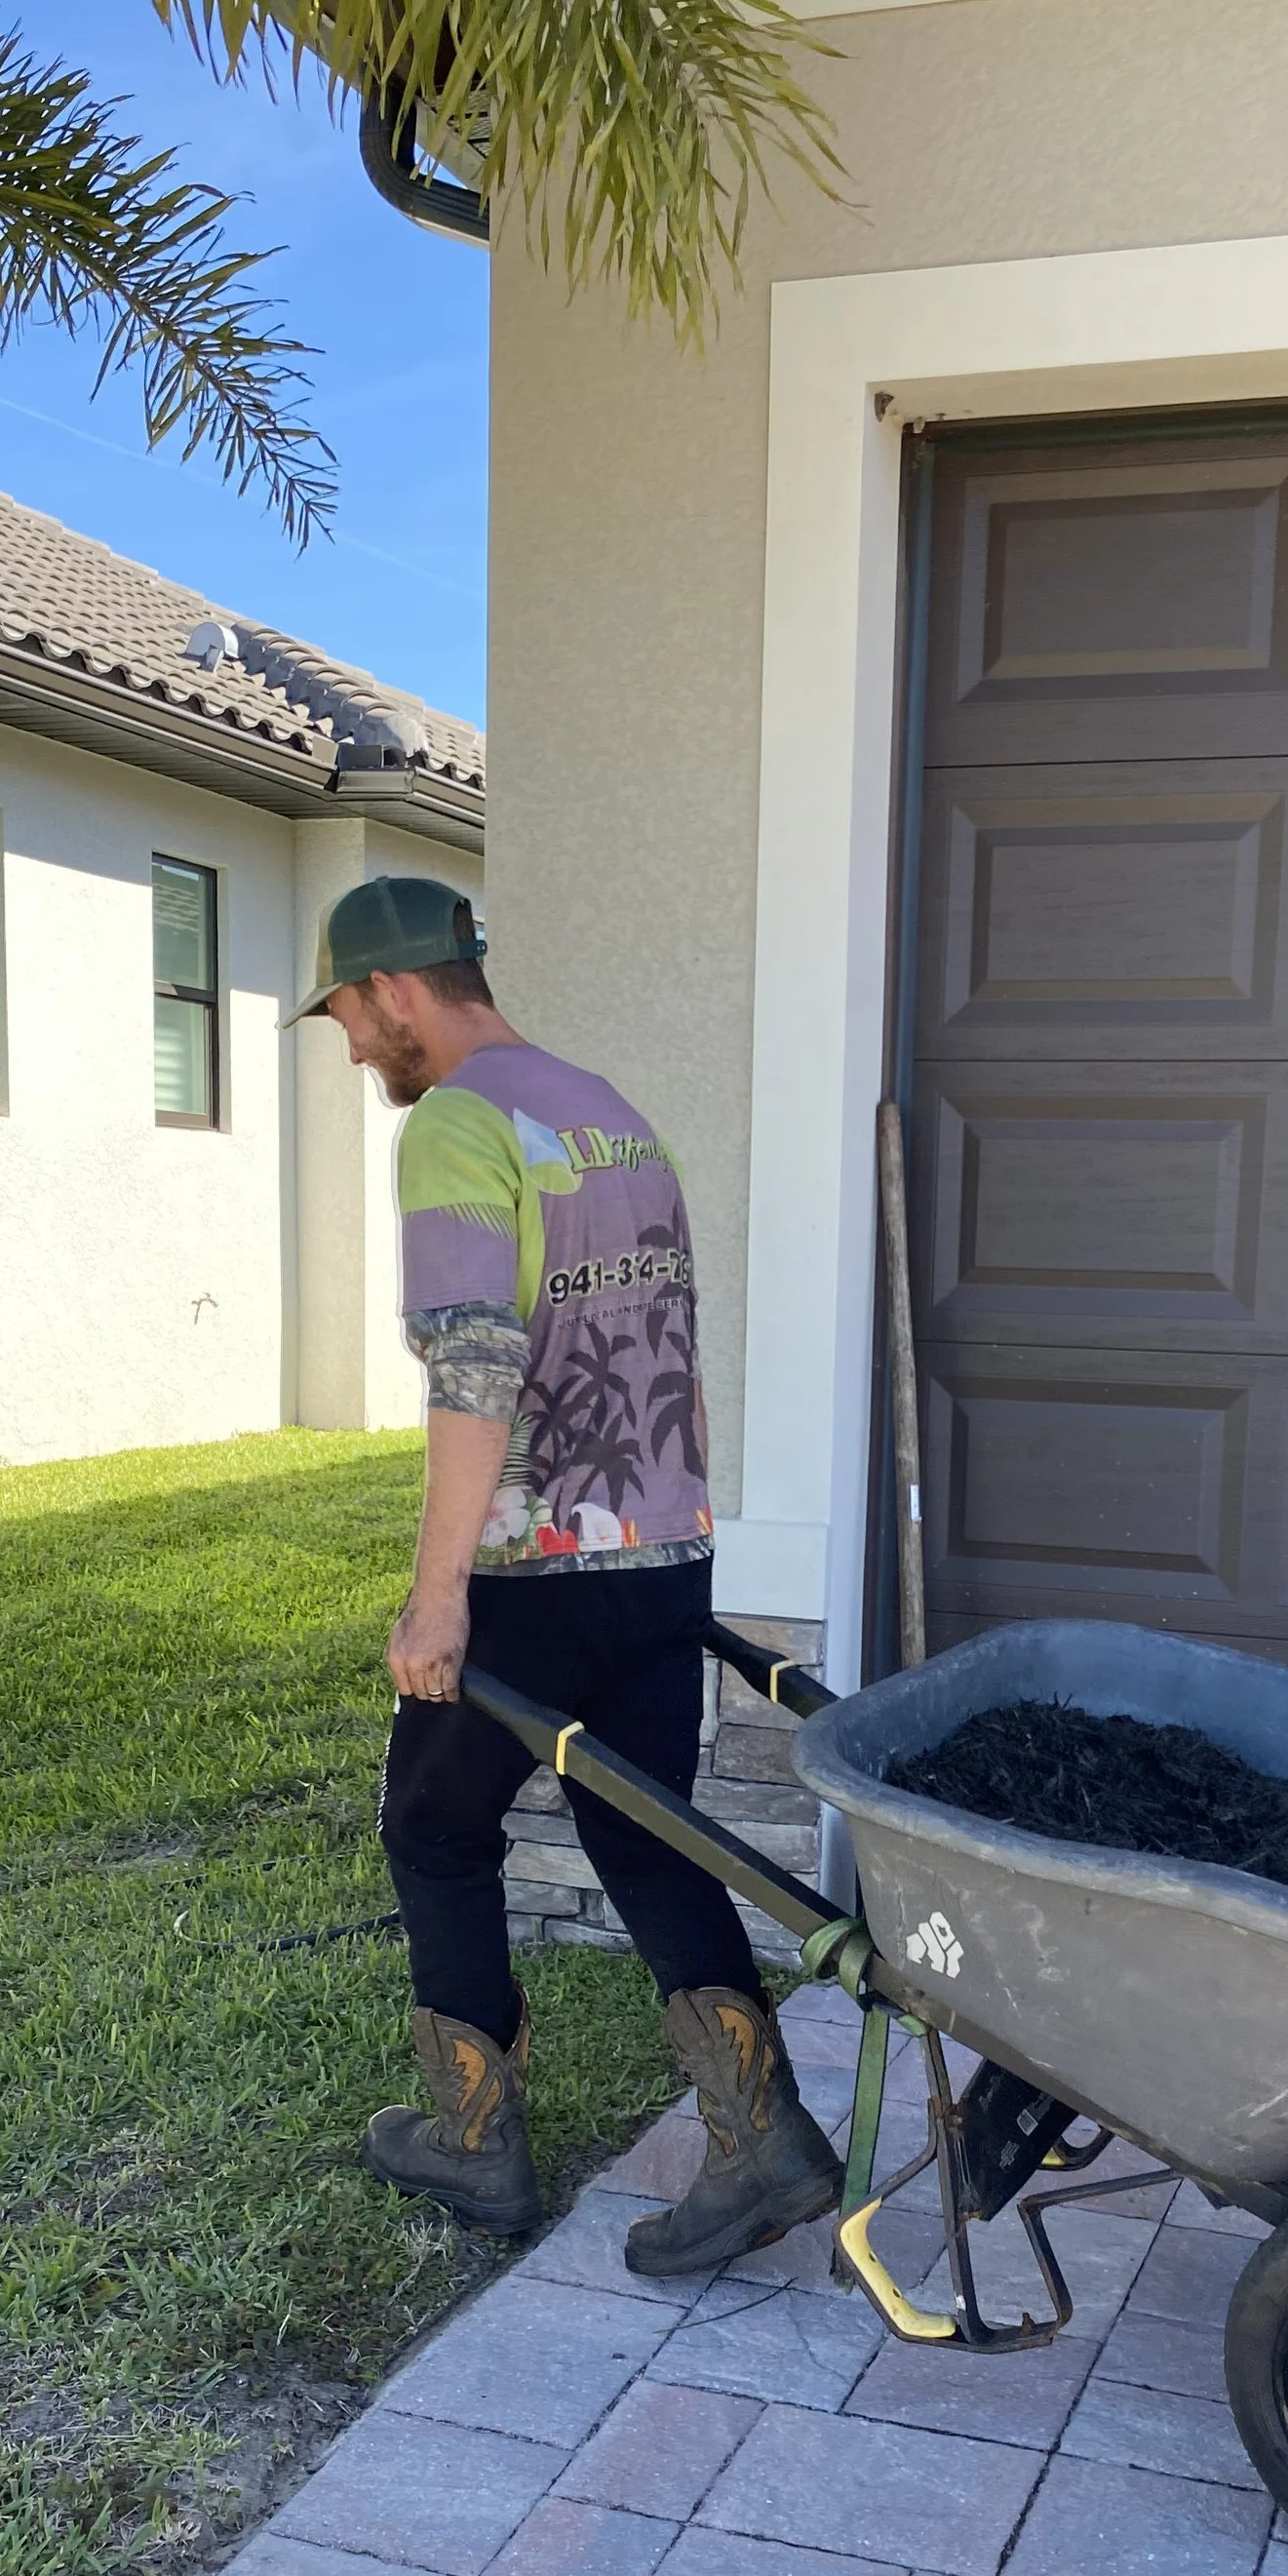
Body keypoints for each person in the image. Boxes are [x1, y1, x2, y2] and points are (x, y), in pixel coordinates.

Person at [290, 875, 839, 2272]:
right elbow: (671, 1348)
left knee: (432, 1826)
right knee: (646, 1832)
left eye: (346, 1013)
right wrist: (675, 1528)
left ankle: (474, 2145)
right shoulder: (611, 1116)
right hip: (662, 1547)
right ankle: (764, 2139)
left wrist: (439, 1595)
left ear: (395, 989)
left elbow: (476, 1371)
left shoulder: (456, 1126)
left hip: (535, 1566)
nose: (350, 1047)